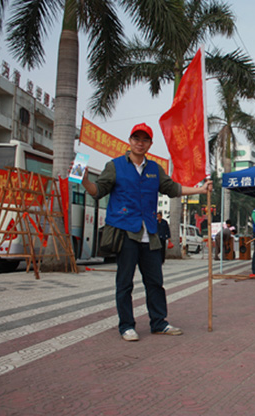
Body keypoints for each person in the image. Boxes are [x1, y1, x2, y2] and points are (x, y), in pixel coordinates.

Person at [81, 122, 212, 341]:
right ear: (130, 141)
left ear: (150, 144)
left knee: (155, 281)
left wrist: (201, 189)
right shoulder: (114, 166)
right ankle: (126, 326)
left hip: (150, 233)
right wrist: (85, 181)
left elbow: (173, 188)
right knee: (125, 282)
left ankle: (159, 322)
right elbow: (98, 190)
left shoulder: (154, 169)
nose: (140, 143)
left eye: (145, 140)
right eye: (136, 139)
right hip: (126, 232)